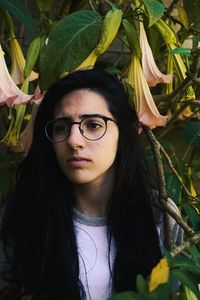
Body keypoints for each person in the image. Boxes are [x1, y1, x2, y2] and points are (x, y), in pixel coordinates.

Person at [0, 69, 183, 300]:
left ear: (123, 133)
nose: (74, 140)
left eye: (93, 125)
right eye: (61, 127)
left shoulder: (158, 214)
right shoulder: (22, 215)